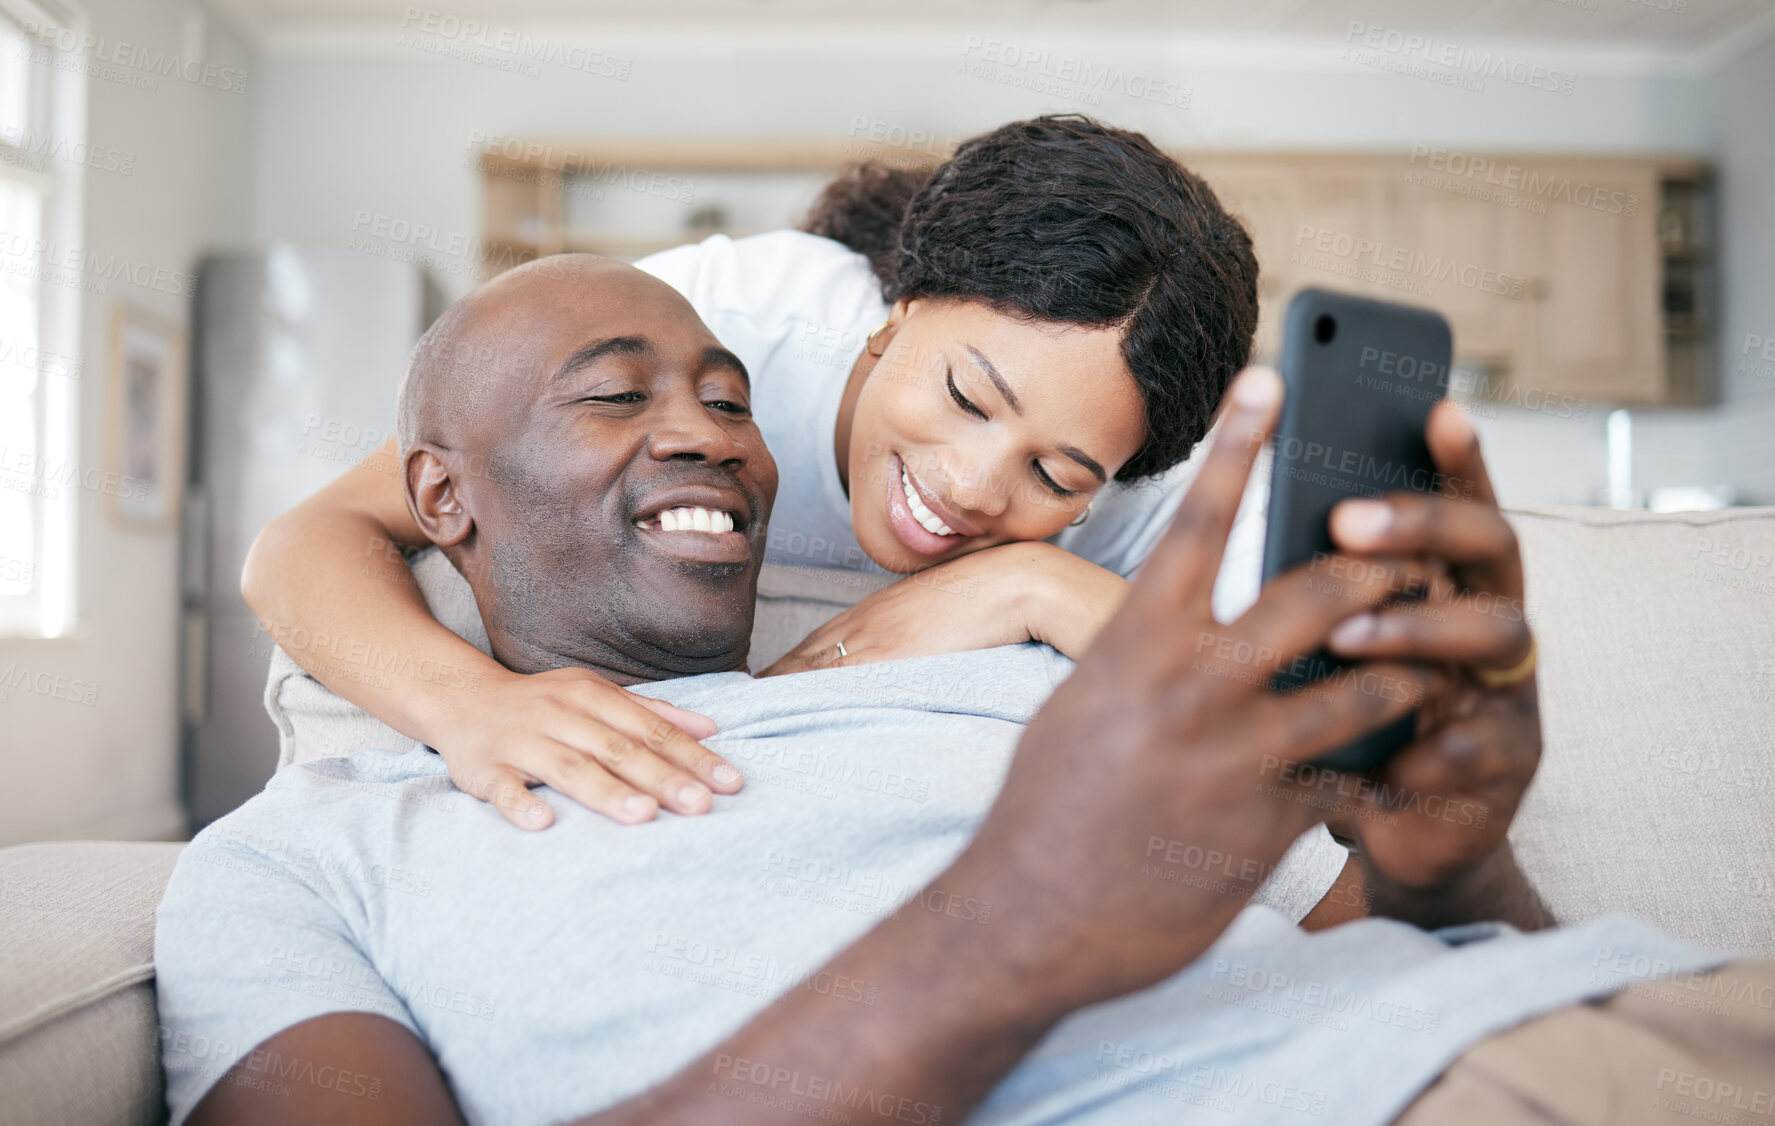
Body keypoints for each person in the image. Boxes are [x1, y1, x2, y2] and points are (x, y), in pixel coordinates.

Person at [157, 256, 1769, 1126]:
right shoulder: (310, 854)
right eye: (614, 396)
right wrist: (1005, 932)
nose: (712, 427)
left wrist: (1445, 862)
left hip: (1636, 1017)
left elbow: (1386, 968)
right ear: (441, 497)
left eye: (728, 396)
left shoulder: (1002, 690)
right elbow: (304, 548)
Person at [240, 115, 1270, 828]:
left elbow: (1286, 713)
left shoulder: (1153, 484)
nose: (970, 485)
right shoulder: (706, 329)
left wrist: (1031, 579)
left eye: (1053, 474)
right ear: (895, 319)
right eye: (964, 398)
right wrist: (468, 704)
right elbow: (304, 541)